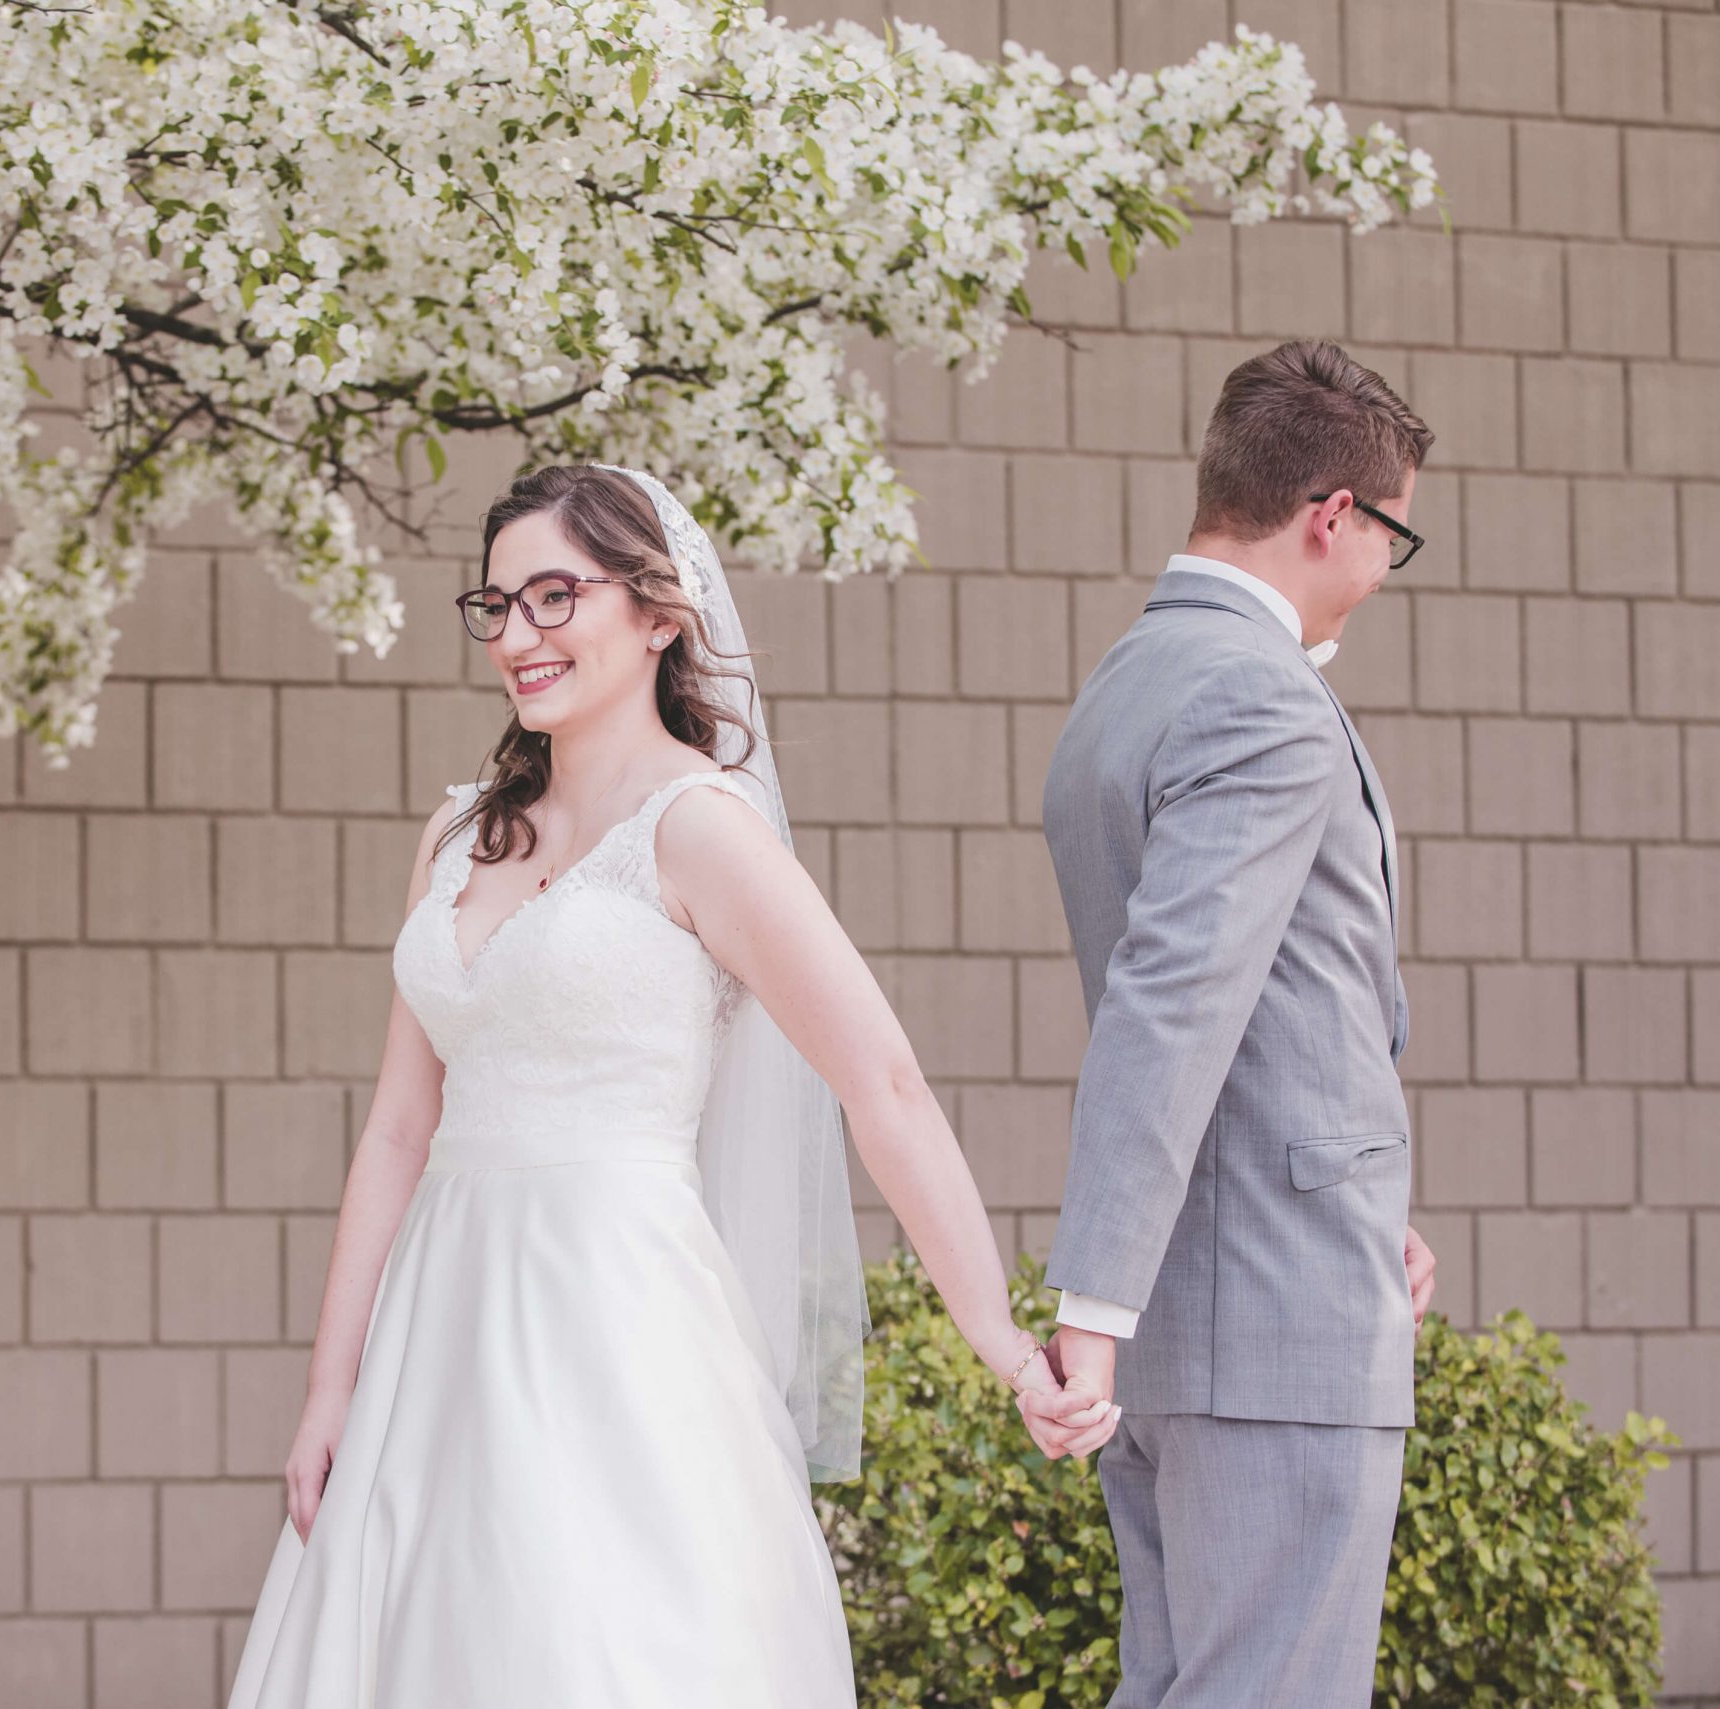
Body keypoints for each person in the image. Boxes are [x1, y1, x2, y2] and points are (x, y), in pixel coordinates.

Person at [224, 463, 1108, 1708]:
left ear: (656, 612)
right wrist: (331, 1387)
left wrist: (1006, 1346)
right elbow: (396, 1129)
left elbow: (886, 1085)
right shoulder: (456, 834)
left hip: (615, 1321)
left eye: (553, 597)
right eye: (498, 606)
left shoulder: (700, 831)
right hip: (436, 1327)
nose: (520, 637)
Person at [1037, 339, 1441, 1707]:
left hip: (1195, 1320)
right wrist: (1086, 1302)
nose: (1385, 569)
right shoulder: (1262, 694)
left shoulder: (1123, 687)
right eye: (1395, 533)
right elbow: (1172, 1004)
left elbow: (1270, 1011)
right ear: (1335, 514)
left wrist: (1356, 1195)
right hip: (1270, 1331)